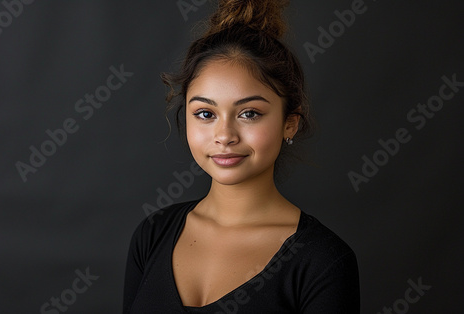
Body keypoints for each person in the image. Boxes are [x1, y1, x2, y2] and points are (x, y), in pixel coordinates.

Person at [123, 0, 360, 313]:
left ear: (289, 122)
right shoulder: (153, 234)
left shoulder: (322, 262)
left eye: (249, 113)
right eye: (206, 113)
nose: (224, 135)